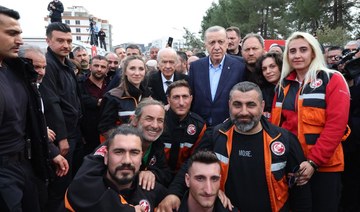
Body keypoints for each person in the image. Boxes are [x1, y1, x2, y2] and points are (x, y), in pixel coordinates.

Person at [157, 81, 311, 212]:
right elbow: (190, 166)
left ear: (262, 106)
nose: (244, 112)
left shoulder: (284, 140)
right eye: (237, 105)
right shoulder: (215, 136)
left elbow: (301, 190)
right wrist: (174, 194)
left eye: (251, 105)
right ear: (229, 105)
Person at [271, 31, 351, 212]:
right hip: (292, 167)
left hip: (325, 167)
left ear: (313, 52)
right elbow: (277, 128)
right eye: (292, 51)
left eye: (303, 50)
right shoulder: (283, 85)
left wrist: (313, 162)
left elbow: (336, 127)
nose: (297, 55)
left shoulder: (332, 79)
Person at [0, 6, 68, 211]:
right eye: (11, 33)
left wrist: (51, 151)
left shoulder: (15, 73)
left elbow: (29, 122)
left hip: (25, 167)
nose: (20, 40)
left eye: (19, 33)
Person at [65, 125, 168, 211]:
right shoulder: (82, 194)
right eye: (118, 152)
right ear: (105, 157)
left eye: (134, 153)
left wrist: (174, 195)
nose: (127, 161)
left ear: (141, 158)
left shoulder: (156, 193)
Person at [39, 22, 83, 211]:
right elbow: (52, 104)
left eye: (69, 41)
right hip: (61, 137)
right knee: (59, 185)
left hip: (74, 132)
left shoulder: (67, 65)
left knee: (70, 182)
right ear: (48, 40)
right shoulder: (48, 66)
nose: (66, 45)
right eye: (60, 40)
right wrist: (63, 138)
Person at [188, 25, 246, 127]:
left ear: (227, 43)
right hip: (200, 128)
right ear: (205, 44)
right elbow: (191, 96)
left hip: (228, 127)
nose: (216, 47)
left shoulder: (239, 67)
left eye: (220, 42)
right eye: (212, 42)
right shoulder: (195, 67)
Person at [98, 55, 151, 139]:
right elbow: (105, 128)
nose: (137, 73)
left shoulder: (148, 96)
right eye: (132, 68)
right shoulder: (113, 96)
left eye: (141, 69)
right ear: (125, 72)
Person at [161, 80, 207, 175]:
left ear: (191, 98)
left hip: (185, 177)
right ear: (168, 100)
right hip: (157, 174)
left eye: (185, 97)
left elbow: (195, 161)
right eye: (176, 97)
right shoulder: (158, 120)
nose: (181, 103)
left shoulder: (199, 125)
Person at [78, 55, 109, 155]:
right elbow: (77, 99)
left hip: (105, 133)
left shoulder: (111, 85)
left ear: (107, 69)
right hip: (85, 135)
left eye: (103, 67)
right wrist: (97, 102)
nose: (99, 69)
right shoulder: (79, 83)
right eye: (96, 65)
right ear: (90, 66)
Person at [255, 52, 283, 118]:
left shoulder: (291, 88)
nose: (268, 71)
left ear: (281, 67)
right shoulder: (260, 92)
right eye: (264, 69)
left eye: (272, 66)